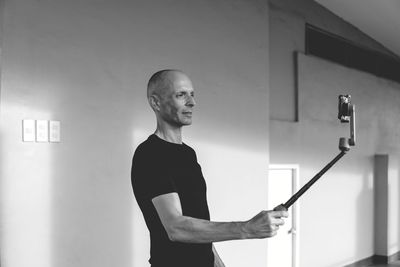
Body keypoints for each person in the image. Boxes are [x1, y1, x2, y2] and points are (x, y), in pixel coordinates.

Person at [131, 69, 288, 267]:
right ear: (156, 102)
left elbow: (199, 221)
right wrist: (247, 228)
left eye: (192, 94)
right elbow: (175, 227)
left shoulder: (188, 154)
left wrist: (219, 264)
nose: (192, 102)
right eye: (181, 95)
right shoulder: (149, 154)